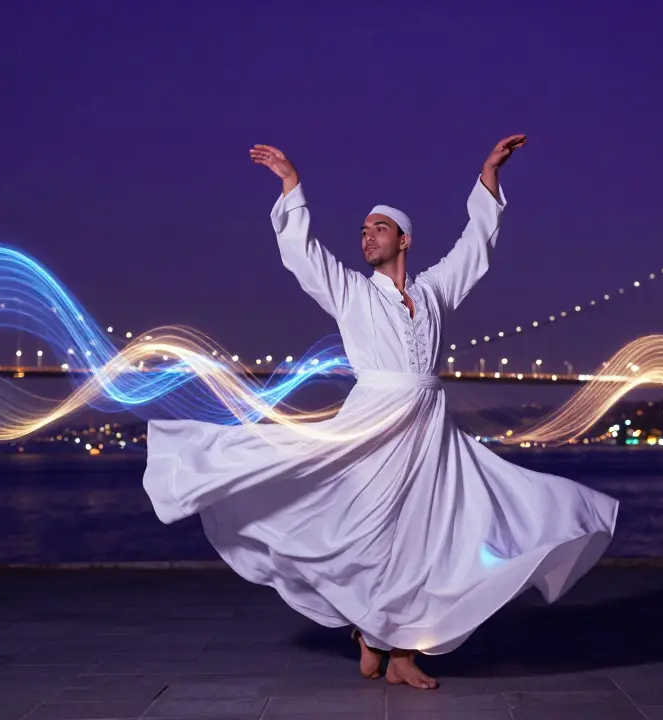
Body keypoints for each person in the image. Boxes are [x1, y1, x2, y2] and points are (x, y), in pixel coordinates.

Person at [144, 135, 618, 689]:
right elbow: (303, 255)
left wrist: (489, 177)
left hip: (429, 432)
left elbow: (475, 248)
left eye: (378, 228)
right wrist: (291, 184)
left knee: (427, 537)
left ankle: (394, 650)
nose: (366, 236)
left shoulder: (434, 291)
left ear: (404, 239)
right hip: (373, 428)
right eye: (363, 230)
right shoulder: (352, 292)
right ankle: (378, 636)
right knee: (368, 537)